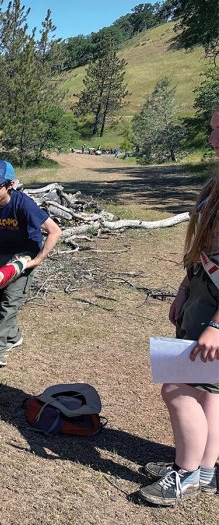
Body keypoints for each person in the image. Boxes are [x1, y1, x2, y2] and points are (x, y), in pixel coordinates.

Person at [139, 106, 219, 506]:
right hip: (205, 293)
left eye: (217, 130)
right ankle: (205, 469)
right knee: (210, 392)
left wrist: (217, 327)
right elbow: (206, 246)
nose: (211, 138)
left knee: (176, 385)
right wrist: (186, 286)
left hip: (216, 312)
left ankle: (185, 475)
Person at [0, 160, 61, 367]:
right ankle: (13, 336)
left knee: (11, 302)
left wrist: (37, 260)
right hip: (2, 252)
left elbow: (55, 231)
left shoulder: (24, 204)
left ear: (10, 185)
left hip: (25, 255)